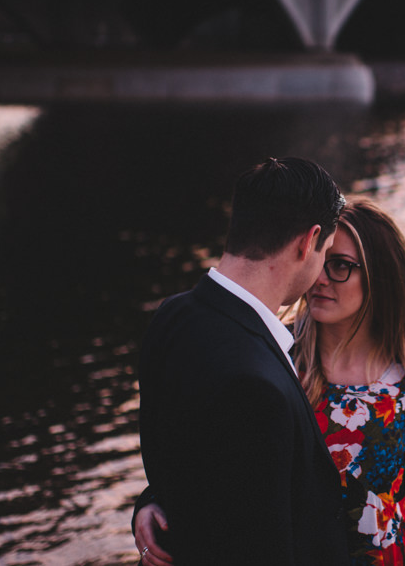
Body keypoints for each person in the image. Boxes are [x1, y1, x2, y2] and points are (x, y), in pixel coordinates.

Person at [135, 197, 405, 566]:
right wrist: (152, 501)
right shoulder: (270, 356)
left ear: (380, 276)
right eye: (320, 260)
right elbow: (203, 455)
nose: (321, 279)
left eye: (341, 266)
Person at [134, 157, 350, 566]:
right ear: (308, 242)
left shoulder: (171, 317)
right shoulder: (257, 387)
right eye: (326, 252)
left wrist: (150, 506)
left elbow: (178, 458)